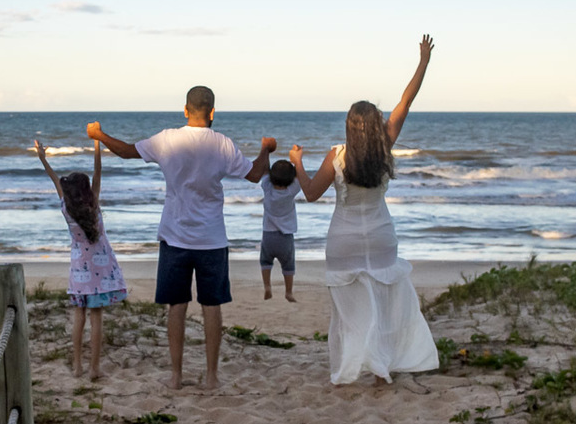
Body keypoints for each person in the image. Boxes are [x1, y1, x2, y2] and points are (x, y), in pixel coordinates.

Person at [88, 86, 276, 390]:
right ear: (213, 112)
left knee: (177, 306)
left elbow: (125, 151)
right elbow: (255, 175)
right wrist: (266, 149)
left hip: (175, 237)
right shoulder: (222, 145)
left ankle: (176, 375)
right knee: (211, 306)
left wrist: (100, 135)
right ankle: (212, 376)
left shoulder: (167, 139)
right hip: (212, 239)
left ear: (185, 110)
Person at [289, 35, 440, 385]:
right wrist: (423, 63)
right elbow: (406, 101)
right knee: (383, 304)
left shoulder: (337, 155)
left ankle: (354, 365)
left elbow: (310, 193)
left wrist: (297, 161)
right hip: (381, 235)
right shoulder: (384, 147)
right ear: (376, 125)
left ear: (349, 126)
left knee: (350, 311)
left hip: (343, 239)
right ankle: (379, 366)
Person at [35, 138, 128, 380]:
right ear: (86, 191)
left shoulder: (66, 208)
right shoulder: (93, 204)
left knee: (79, 317)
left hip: (79, 271)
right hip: (102, 268)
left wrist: (43, 159)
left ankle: (77, 365)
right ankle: (94, 368)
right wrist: (97, 145)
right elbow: (98, 172)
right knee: (96, 318)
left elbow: (55, 180)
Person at [259, 159, 301, 302]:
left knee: (265, 262)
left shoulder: (267, 188)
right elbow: (299, 176)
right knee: (288, 266)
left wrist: (267, 151)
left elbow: (264, 171)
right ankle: (288, 292)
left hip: (268, 235)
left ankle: (267, 286)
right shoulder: (292, 190)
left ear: (271, 176)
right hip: (286, 237)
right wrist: (297, 160)